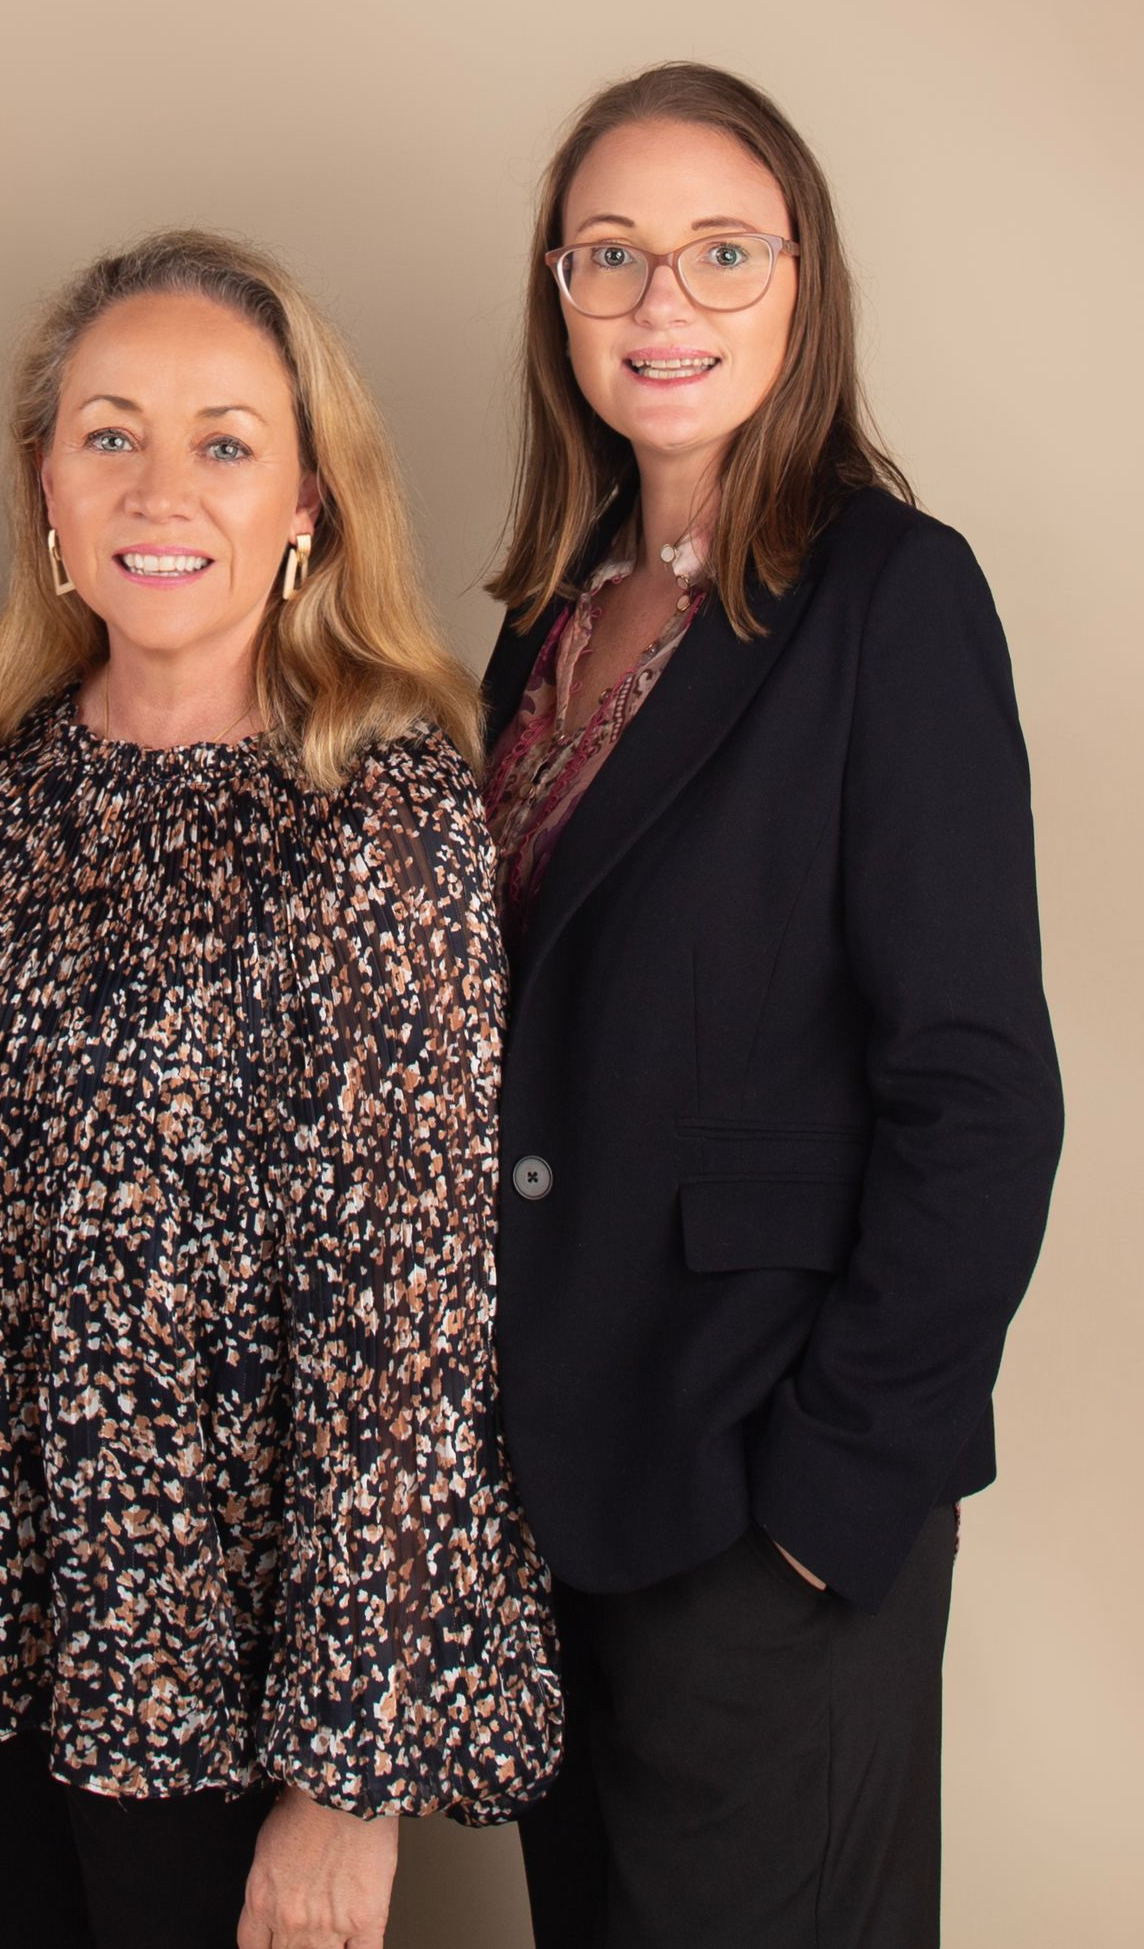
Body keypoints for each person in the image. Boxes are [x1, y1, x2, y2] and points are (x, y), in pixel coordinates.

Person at [0, 229, 562, 1949]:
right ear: (47, 491)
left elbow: (412, 1324)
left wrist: (346, 1778)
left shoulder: (381, 820)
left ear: (307, 496)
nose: (163, 486)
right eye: (111, 433)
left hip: (228, 1675)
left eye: (225, 440)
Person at [480, 62, 1064, 1948]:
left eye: (721, 254)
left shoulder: (894, 595)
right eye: (614, 256)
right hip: (564, 1474)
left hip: (764, 1497)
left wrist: (833, 1491)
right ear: (557, 294)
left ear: (800, 286)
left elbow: (978, 1091)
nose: (665, 305)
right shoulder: (555, 615)